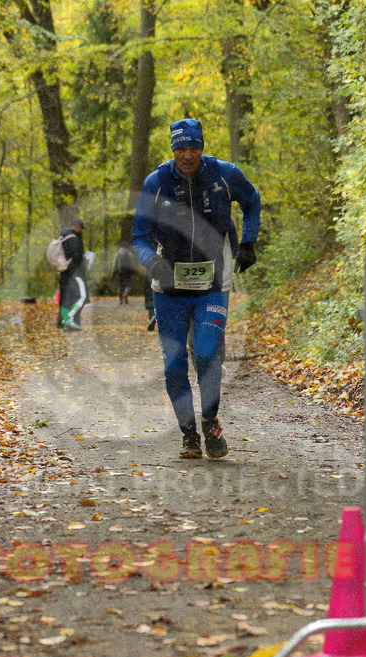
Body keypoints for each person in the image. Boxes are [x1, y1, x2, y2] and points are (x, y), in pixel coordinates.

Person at [131, 118, 261, 459]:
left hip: (213, 283)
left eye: (193, 148)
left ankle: (210, 420)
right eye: (181, 149)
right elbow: (139, 236)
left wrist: (248, 242)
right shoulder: (156, 182)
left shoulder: (224, 174)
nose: (187, 155)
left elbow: (252, 201)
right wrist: (151, 262)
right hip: (169, 289)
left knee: (205, 353)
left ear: (201, 148)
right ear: (173, 150)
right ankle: (189, 434)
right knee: (174, 364)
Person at [57, 218, 89, 331]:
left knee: (66, 297)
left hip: (64, 271)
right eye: (81, 228)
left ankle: (64, 322)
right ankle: (69, 320)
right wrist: (84, 262)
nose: (81, 231)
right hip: (74, 272)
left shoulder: (63, 237)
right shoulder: (74, 239)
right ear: (77, 227)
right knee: (82, 296)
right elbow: (76, 257)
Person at [111, 241, 138, 305]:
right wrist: (133, 272)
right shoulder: (129, 253)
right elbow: (132, 264)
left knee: (120, 286)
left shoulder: (117, 253)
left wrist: (113, 272)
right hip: (128, 272)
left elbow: (114, 264)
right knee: (128, 284)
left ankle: (120, 300)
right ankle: (126, 293)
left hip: (119, 272)